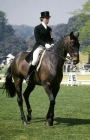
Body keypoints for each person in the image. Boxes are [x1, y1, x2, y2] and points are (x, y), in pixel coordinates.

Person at [26, 11, 54, 83]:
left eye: (48, 18)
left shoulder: (49, 29)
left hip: (47, 47)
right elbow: (38, 39)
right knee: (35, 60)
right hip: (39, 47)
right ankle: (28, 76)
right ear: (42, 19)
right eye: (46, 18)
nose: (47, 19)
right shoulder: (37, 28)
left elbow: (51, 39)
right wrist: (45, 44)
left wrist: (52, 44)